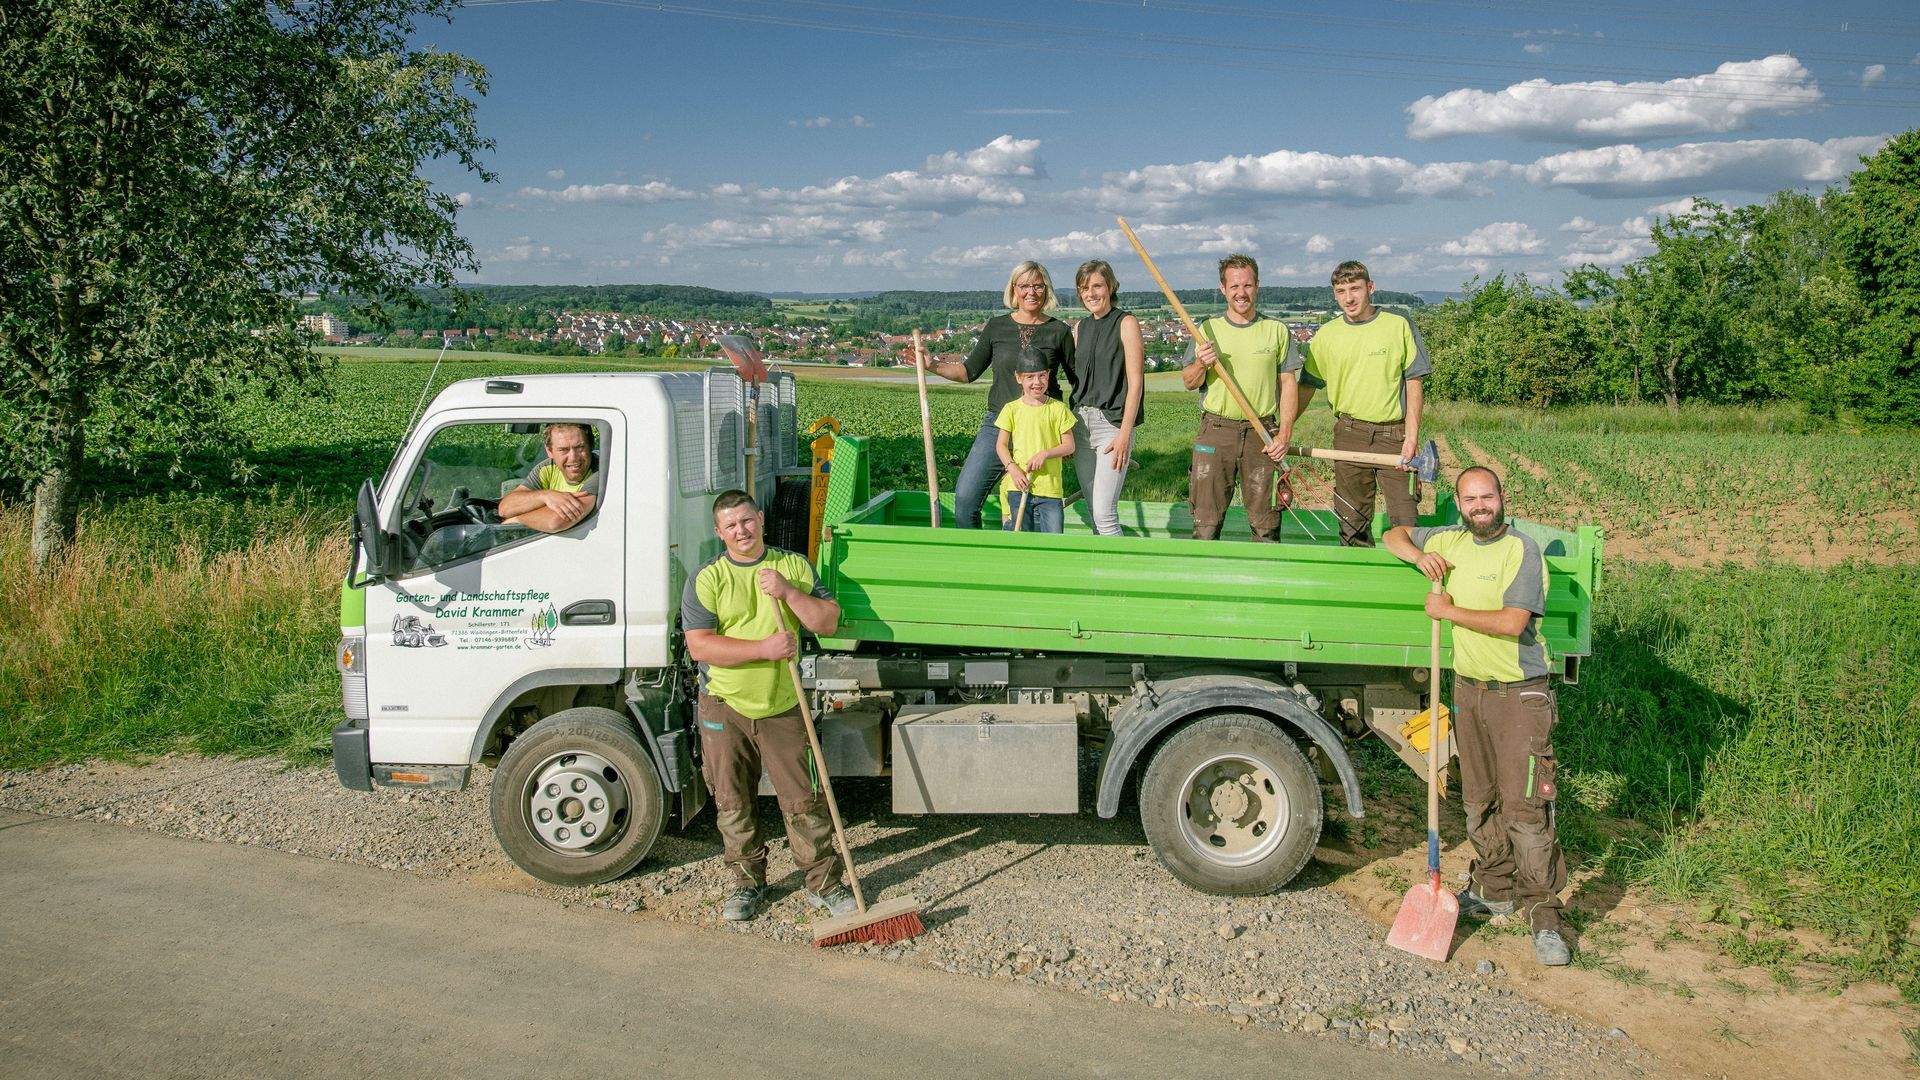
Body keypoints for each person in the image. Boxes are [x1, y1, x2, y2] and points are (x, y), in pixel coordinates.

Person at [1383, 467, 1571, 967]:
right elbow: (1391, 534)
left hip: (1519, 697)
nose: (1479, 506)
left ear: (1502, 499)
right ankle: (1494, 888)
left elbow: (1513, 623)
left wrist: (1447, 612)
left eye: (1487, 497)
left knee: (1525, 810)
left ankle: (1545, 916)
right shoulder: (1449, 539)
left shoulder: (1521, 551)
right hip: (1470, 692)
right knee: (1478, 800)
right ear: (1460, 505)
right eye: (1470, 499)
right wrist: (1421, 555)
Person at [680, 489, 854, 923]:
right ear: (719, 532)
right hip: (724, 704)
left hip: (782, 704)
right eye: (731, 525)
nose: (742, 530)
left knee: (803, 800)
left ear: (760, 518)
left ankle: (824, 884)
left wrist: (789, 592)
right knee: (733, 800)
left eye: (747, 520)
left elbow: (828, 622)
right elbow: (700, 647)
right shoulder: (706, 578)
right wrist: (764, 648)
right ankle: (747, 884)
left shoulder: (793, 565)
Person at [1279, 260, 1430, 547]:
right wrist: (1282, 431)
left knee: (1405, 520)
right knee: (1351, 522)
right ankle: (1355, 583)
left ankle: (1405, 584)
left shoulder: (1398, 325)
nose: (1348, 298)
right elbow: (1308, 386)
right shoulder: (1327, 335)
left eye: (1355, 289)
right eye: (1341, 291)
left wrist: (1411, 438)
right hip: (1349, 434)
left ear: (1370, 288)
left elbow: (1414, 383)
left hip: (1394, 435)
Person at [915, 261, 1075, 529]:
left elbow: (1077, 382)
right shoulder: (997, 327)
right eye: (1024, 285)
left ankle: (1031, 566)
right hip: (999, 426)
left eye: (1038, 285)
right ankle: (977, 564)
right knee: (965, 501)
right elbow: (968, 371)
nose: (1031, 292)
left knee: (1033, 513)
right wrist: (932, 365)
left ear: (1046, 290)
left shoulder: (1059, 331)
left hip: (1042, 429)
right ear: (1014, 289)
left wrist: (1068, 433)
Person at [1181, 254, 1295, 542]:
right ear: (1223, 289)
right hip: (1216, 431)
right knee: (1205, 523)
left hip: (1262, 432)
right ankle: (1205, 584)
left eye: (1247, 285)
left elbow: (1288, 384)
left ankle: (1264, 584)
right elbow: (1189, 381)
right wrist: (1201, 364)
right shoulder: (1205, 330)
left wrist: (1284, 434)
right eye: (1234, 286)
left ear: (1257, 286)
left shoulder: (1276, 330)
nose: (1241, 293)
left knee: (1266, 523)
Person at [1070, 259, 1146, 537]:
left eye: (1097, 286)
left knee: (1105, 514)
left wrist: (1125, 432)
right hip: (1080, 423)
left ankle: (1122, 576)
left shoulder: (1126, 323)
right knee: (1093, 510)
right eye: (1084, 288)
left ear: (1111, 286)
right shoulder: (1080, 328)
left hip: (1111, 425)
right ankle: (1099, 574)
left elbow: (1136, 381)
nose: (1091, 293)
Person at [996, 349, 1077, 533]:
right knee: (1022, 539)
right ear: (1019, 378)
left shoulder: (1059, 409)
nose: (1037, 382)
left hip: (1050, 488)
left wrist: (1045, 454)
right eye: (1030, 377)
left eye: (1042, 376)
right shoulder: (1011, 409)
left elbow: (1069, 445)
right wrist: (1013, 469)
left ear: (1048, 375)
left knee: (1054, 540)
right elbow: (1000, 446)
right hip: (1019, 485)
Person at [498, 422, 599, 533]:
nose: (573, 458)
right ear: (549, 451)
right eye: (563, 450)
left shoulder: (600, 472)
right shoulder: (547, 468)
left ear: (591, 446)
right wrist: (546, 496)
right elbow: (505, 509)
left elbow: (555, 521)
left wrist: (516, 520)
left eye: (580, 447)